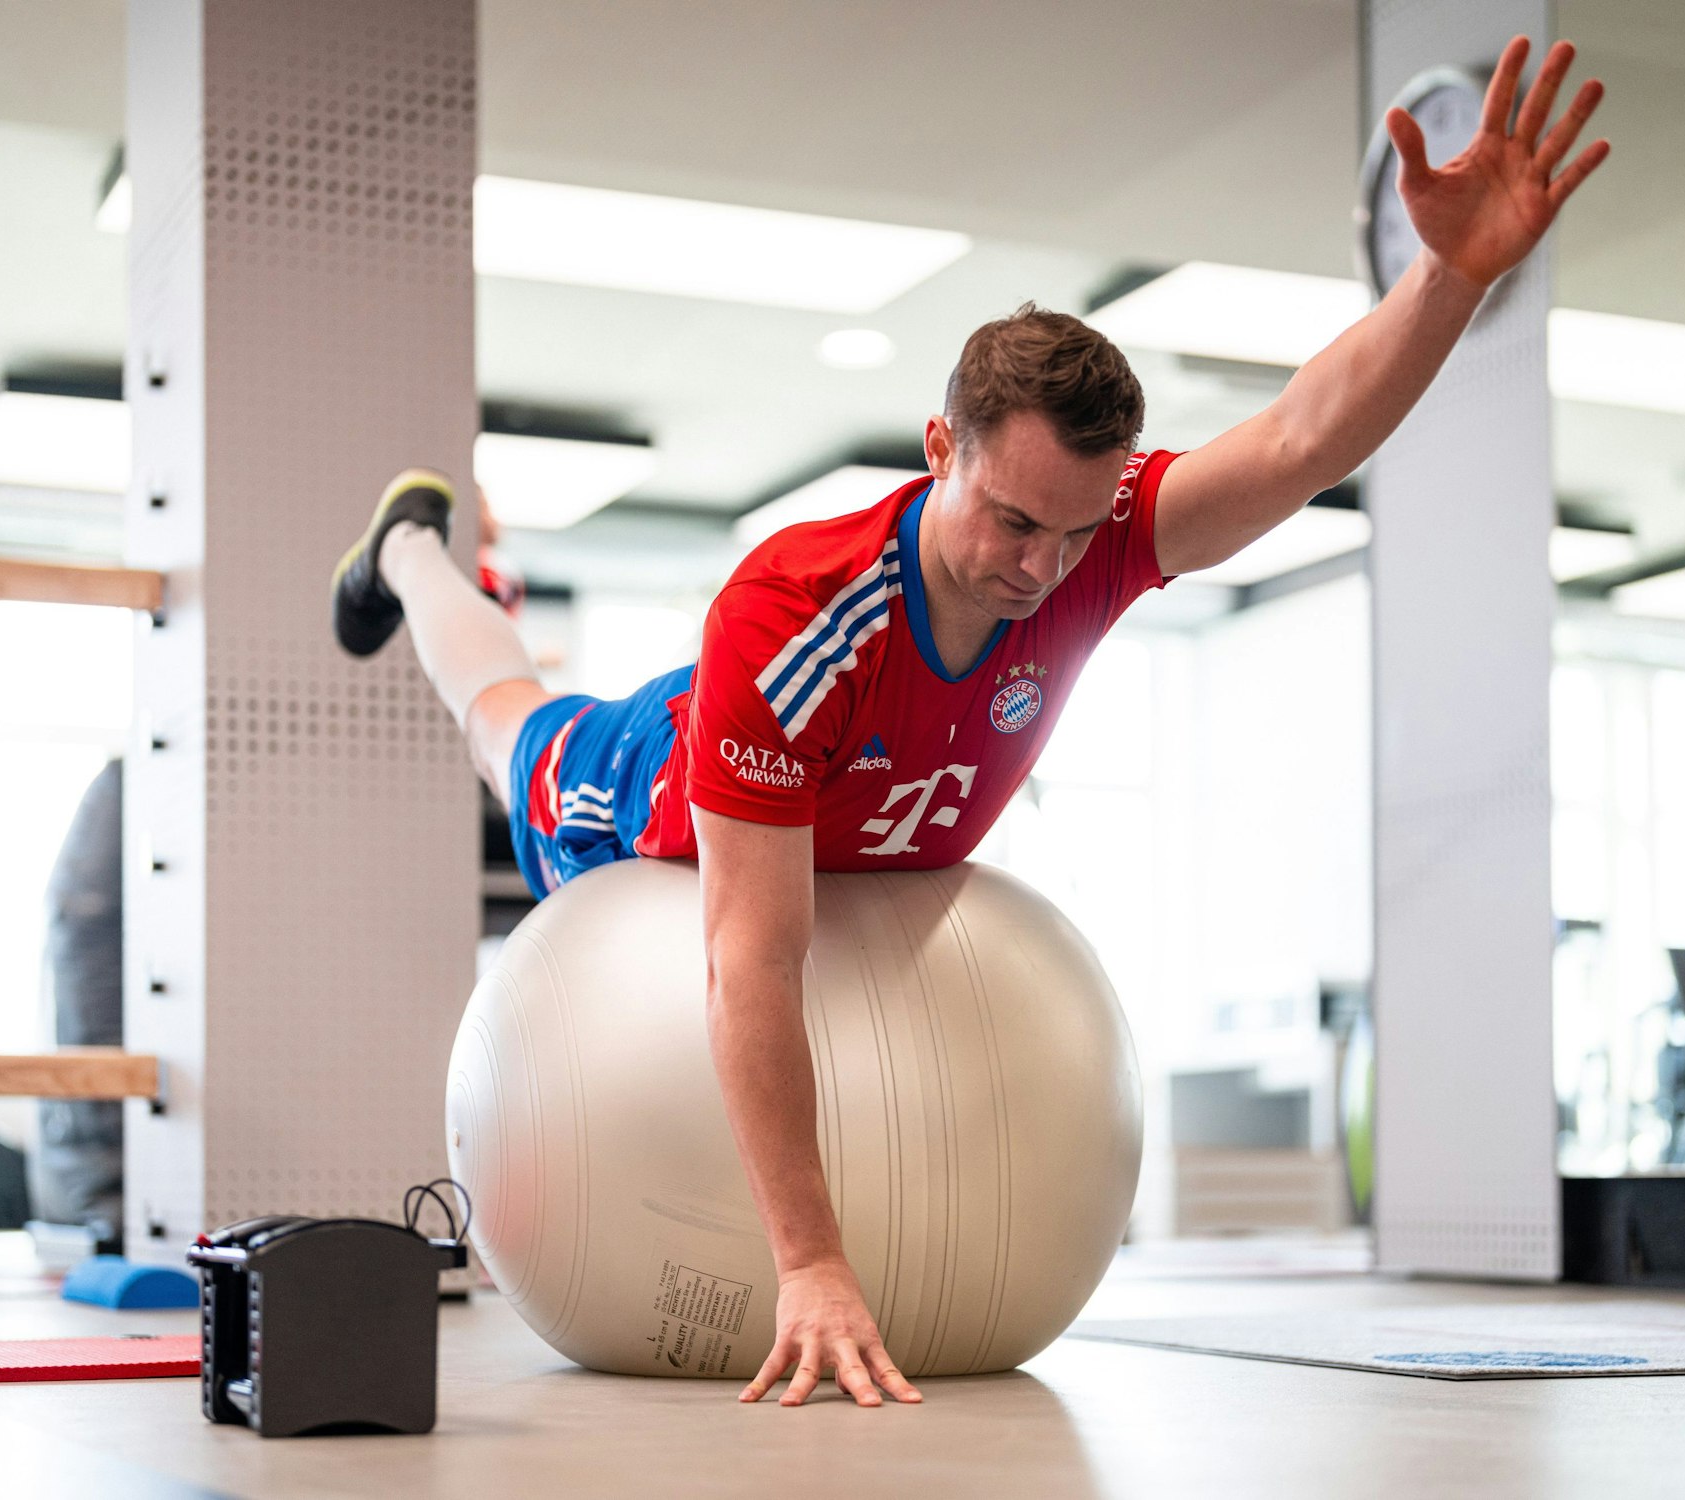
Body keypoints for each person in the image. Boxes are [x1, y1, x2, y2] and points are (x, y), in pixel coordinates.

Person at [327, 36, 1605, 1409]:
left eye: (1070, 529)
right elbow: (751, 964)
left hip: (869, 844)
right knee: (505, 714)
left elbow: (1301, 439)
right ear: (942, 450)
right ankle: (410, 552)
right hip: (652, 800)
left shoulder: (1095, 535)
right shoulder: (796, 619)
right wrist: (810, 1261)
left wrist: (1454, 275)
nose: (1039, 566)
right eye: (1009, 518)